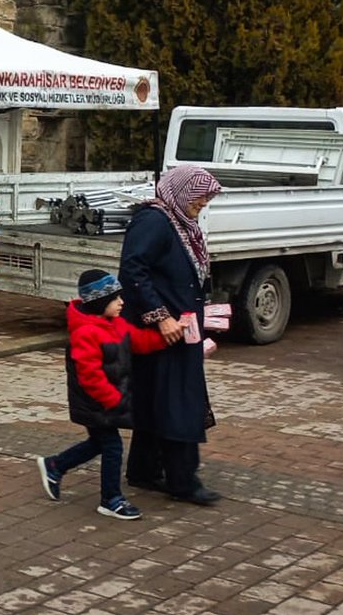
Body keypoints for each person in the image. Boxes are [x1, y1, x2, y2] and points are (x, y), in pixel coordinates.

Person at [119, 164, 223, 506]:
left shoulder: (179, 223)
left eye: (207, 197)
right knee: (180, 402)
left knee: (157, 399)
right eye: (199, 196)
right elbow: (133, 270)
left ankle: (144, 469)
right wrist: (161, 317)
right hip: (164, 331)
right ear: (180, 191)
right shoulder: (155, 220)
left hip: (179, 329)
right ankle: (183, 480)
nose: (203, 203)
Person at [35, 270, 142, 521]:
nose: (122, 302)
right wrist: (113, 399)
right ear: (100, 302)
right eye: (116, 298)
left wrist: (168, 336)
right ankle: (111, 499)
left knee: (99, 443)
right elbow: (89, 376)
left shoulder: (112, 324)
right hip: (96, 403)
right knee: (112, 445)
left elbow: (138, 339)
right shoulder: (85, 332)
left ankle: (55, 466)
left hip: (101, 403)